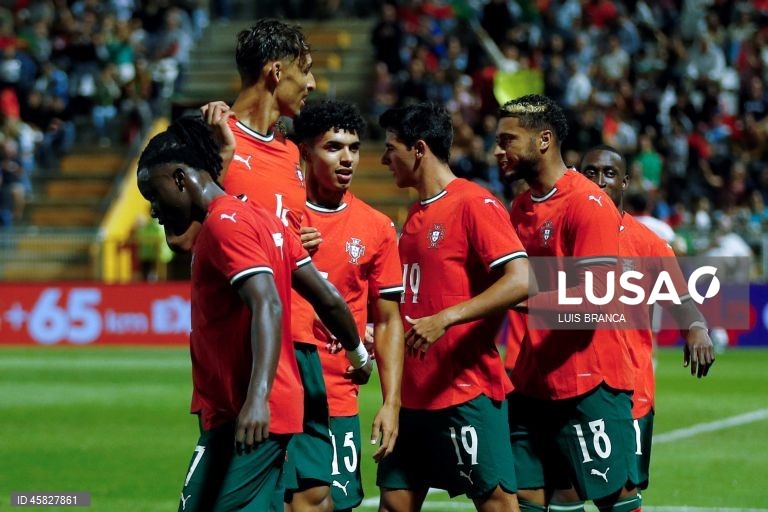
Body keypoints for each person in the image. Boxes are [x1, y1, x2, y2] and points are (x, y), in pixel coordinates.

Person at [136, 116, 369, 512]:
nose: (154, 210)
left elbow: (267, 302)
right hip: (251, 408)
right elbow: (326, 297)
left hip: (252, 411)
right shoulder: (262, 219)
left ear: (179, 178)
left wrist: (257, 398)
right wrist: (358, 354)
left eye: (153, 194)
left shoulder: (225, 226)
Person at [196, 20, 372, 512]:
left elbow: (278, 240)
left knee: (315, 497)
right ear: (276, 72)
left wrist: (295, 242)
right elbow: (184, 239)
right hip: (242, 354)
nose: (312, 84)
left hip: (301, 344)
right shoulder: (211, 137)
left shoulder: (291, 153)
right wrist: (221, 161)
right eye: (306, 71)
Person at [377, 102, 533, 512]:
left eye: (391, 148)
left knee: (498, 503)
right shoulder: (412, 217)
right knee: (393, 503)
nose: (383, 159)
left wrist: (446, 318)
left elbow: (521, 280)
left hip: (467, 392)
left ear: (418, 149)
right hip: (413, 397)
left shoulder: (473, 204)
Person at [494, 94, 639, 512]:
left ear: (543, 139)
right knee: (526, 500)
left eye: (508, 140)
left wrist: (517, 298)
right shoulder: (520, 207)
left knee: (616, 500)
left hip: (589, 380)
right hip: (531, 380)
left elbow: (594, 301)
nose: (499, 151)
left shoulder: (586, 204)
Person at [579, 145, 715, 497]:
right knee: (560, 492)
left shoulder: (648, 243)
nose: (599, 181)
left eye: (608, 174)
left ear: (624, 183)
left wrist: (696, 328)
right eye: (590, 172)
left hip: (629, 390)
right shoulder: (565, 234)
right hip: (569, 386)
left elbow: (683, 302)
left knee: (621, 494)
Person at [291, 99, 405, 512]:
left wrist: (391, 403)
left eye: (354, 148)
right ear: (305, 151)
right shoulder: (281, 216)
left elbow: (389, 322)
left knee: (336, 505)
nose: (347, 158)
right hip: (281, 390)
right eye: (334, 147)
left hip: (338, 394)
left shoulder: (376, 227)